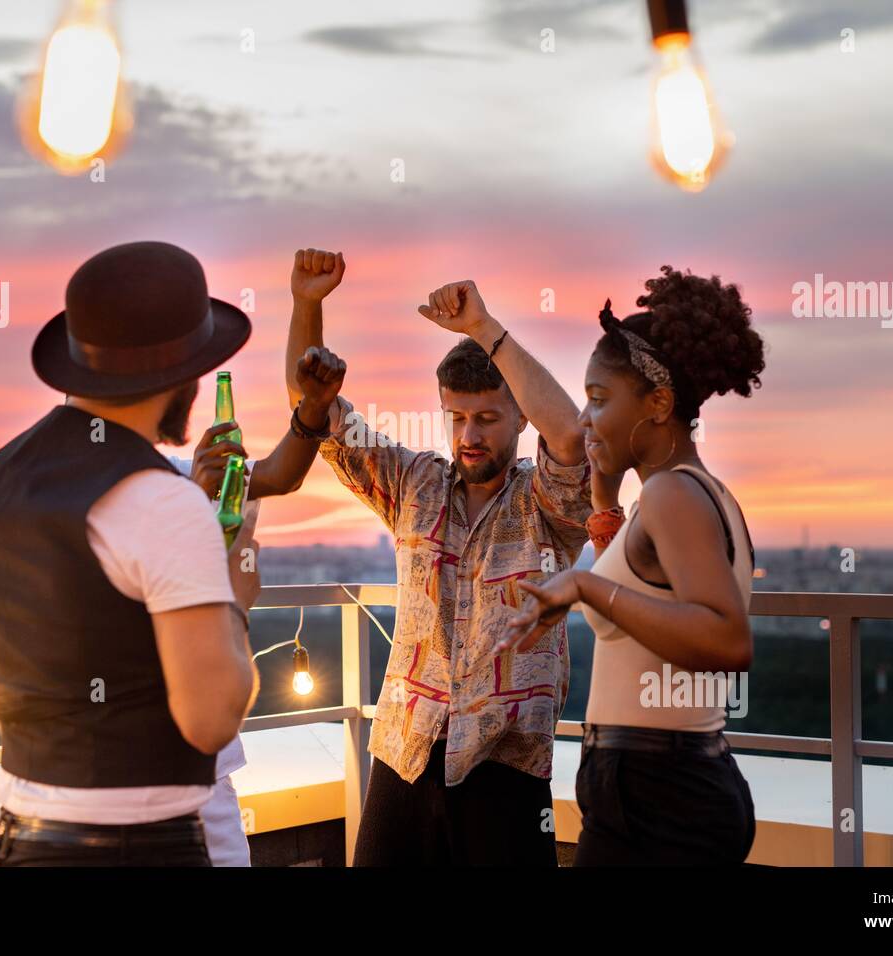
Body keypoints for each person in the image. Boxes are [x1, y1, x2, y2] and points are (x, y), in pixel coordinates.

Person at [285, 249, 619, 865]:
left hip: (507, 764)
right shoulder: (414, 484)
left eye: (488, 418)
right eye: (457, 417)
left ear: (521, 416)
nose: (469, 436)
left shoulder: (547, 503)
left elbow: (571, 436)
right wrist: (308, 304)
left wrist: (483, 328)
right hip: (405, 753)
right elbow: (315, 411)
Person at [0, 241, 267, 866]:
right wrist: (233, 595)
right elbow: (211, 719)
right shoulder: (162, 500)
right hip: (139, 847)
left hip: (21, 840)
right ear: (183, 376)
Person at [501, 265, 765, 865]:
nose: (585, 419)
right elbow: (647, 580)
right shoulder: (699, 492)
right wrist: (601, 501)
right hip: (662, 779)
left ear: (658, 404)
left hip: (657, 788)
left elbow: (727, 638)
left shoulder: (672, 495)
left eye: (598, 399)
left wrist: (586, 586)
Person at [174, 345, 348, 866]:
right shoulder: (77, 500)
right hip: (134, 785)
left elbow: (280, 475)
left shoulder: (170, 471)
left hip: (208, 778)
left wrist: (312, 410)